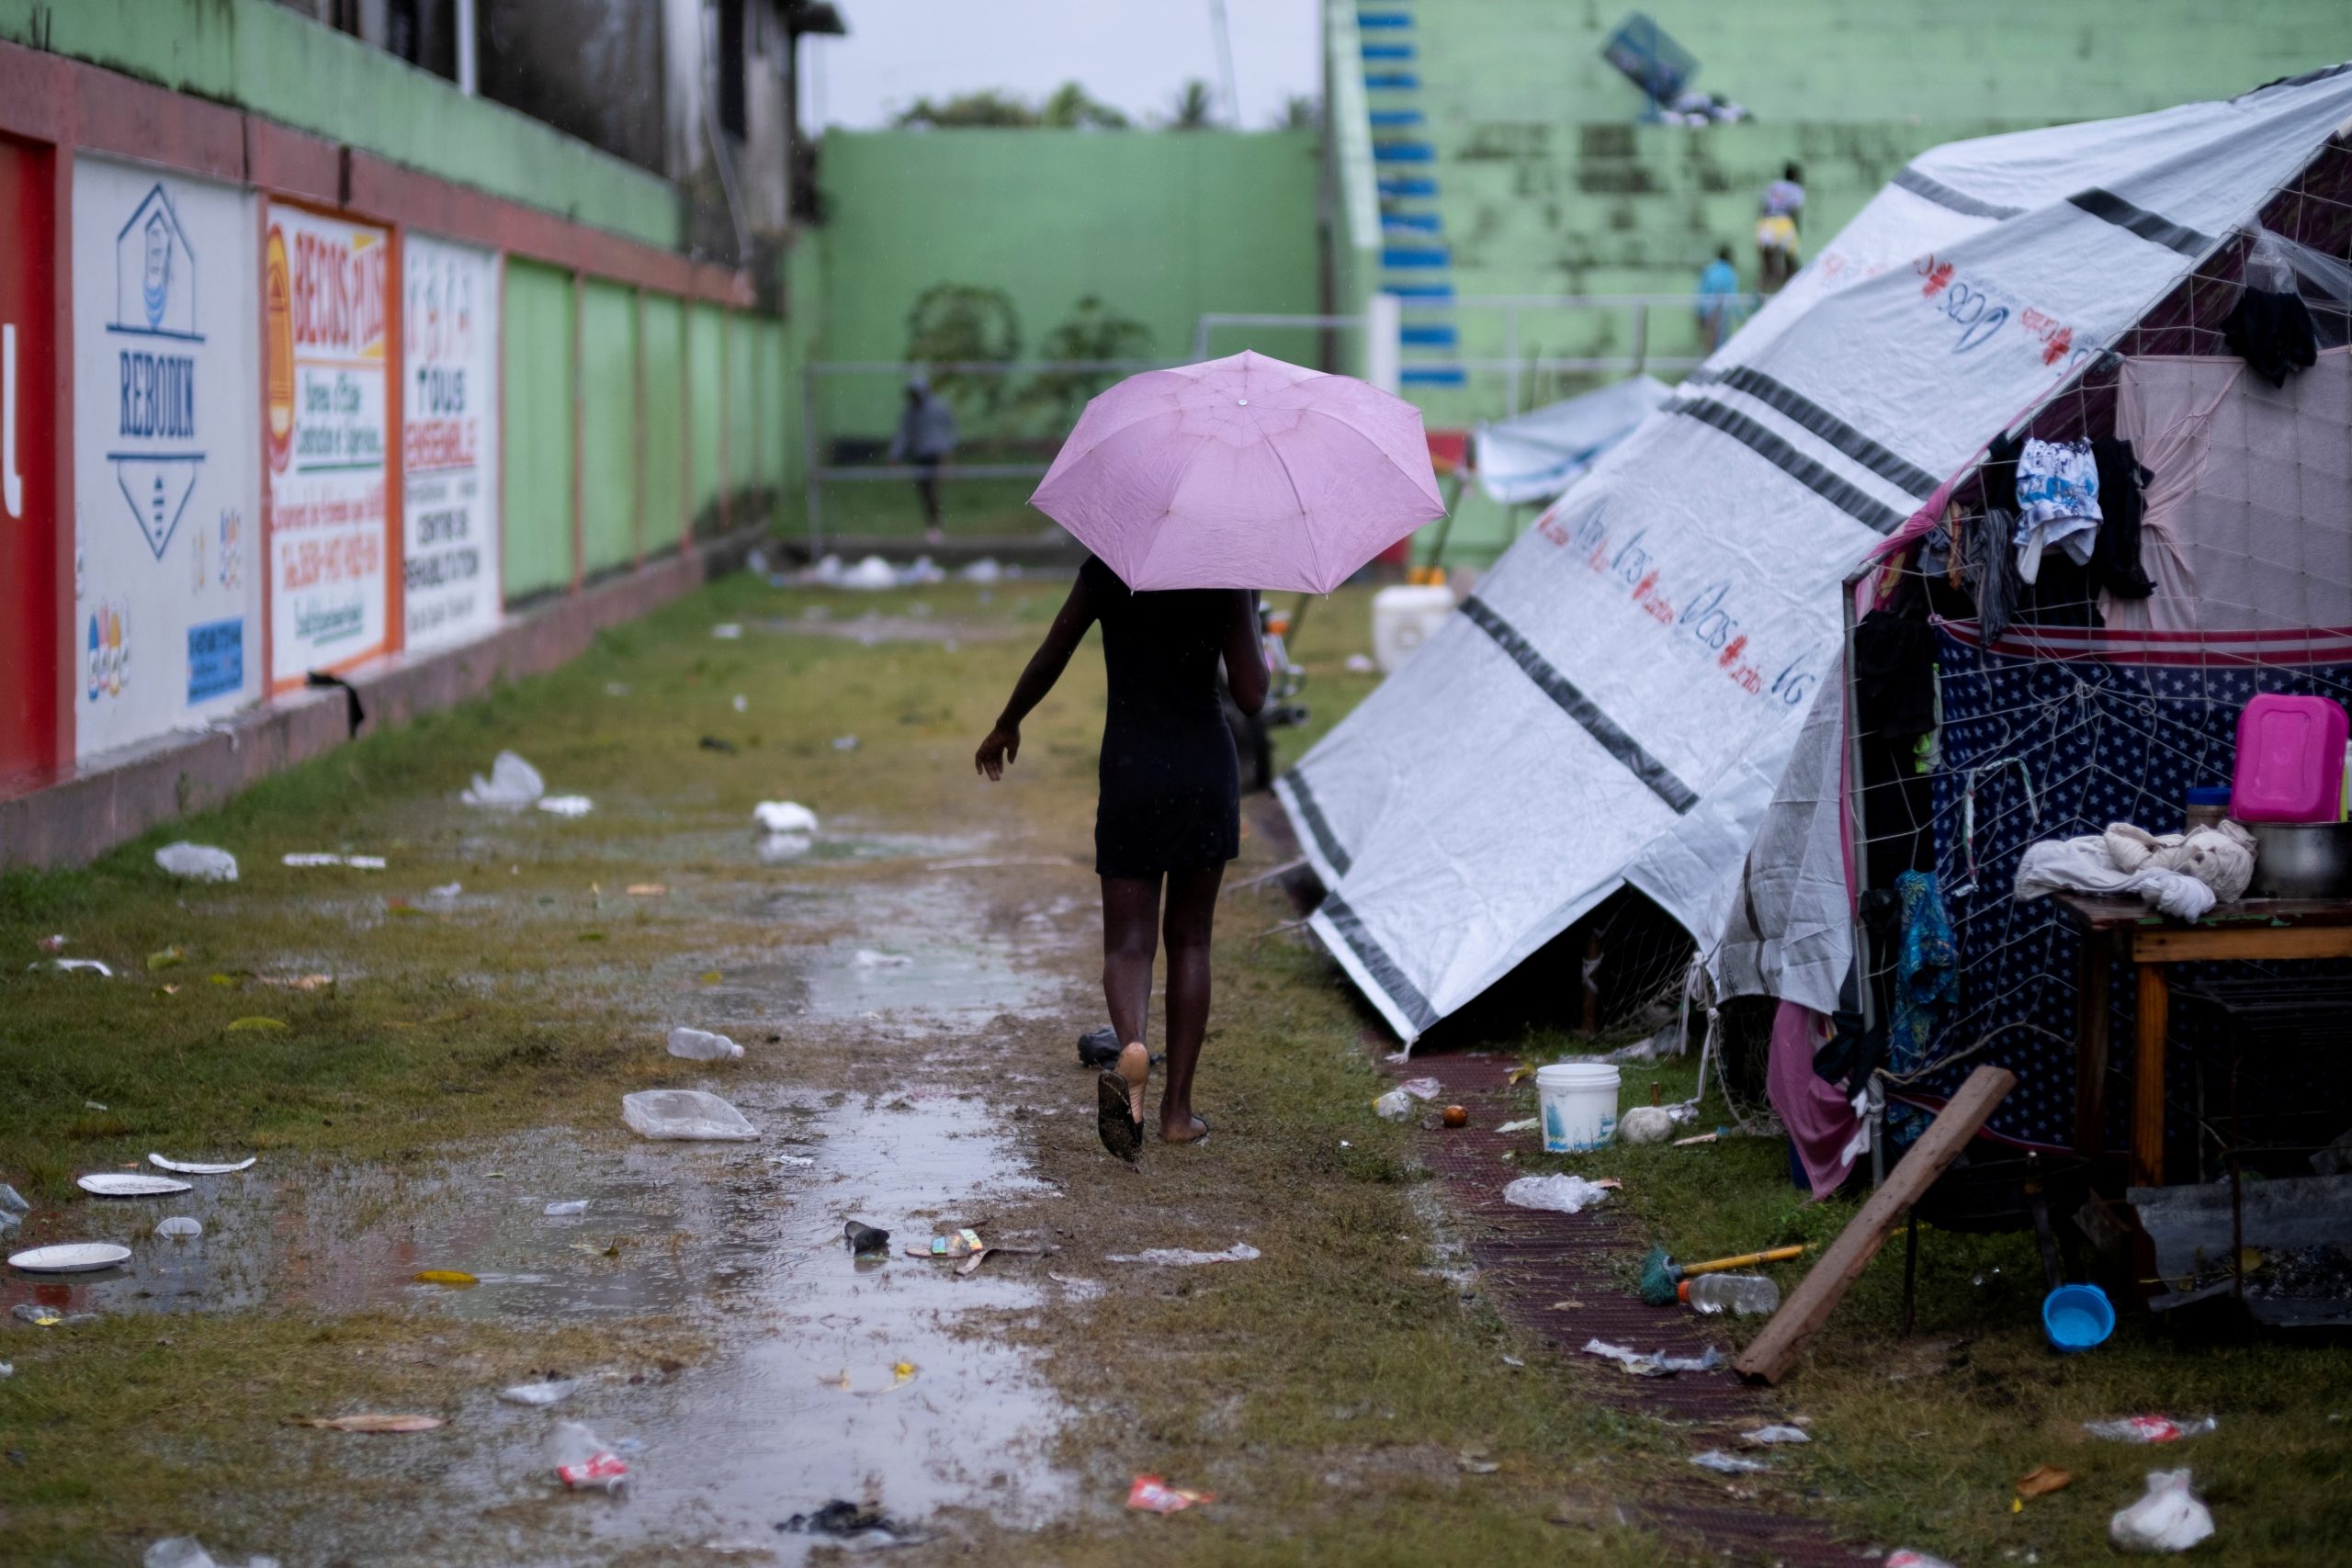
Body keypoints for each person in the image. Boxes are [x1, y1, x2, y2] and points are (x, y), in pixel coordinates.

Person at [975, 556, 1267, 1156]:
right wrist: (1248, 603)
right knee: (1190, 940)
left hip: (1133, 769)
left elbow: (1053, 649)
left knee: (1128, 943)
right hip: (1204, 772)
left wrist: (1009, 722)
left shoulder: (1114, 561)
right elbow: (1252, 693)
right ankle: (1177, 1111)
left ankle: (1131, 1045)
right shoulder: (1229, 566)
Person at [888, 372, 958, 543]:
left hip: (935, 454)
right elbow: (904, 435)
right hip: (920, 455)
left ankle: (937, 525)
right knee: (924, 491)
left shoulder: (938, 408)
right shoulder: (910, 413)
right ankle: (932, 524)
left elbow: (951, 428)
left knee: (932, 489)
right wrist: (894, 455)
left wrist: (948, 449)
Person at [1756, 161, 1805, 294]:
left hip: (1767, 222)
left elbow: (1763, 207)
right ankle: (1789, 288)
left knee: (1767, 261)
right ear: (1795, 176)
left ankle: (1764, 289)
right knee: (1790, 259)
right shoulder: (1797, 189)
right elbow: (1795, 213)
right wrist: (1795, 234)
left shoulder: (1774, 186)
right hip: (1784, 222)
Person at [1696, 244, 1740, 353]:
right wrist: (1741, 316)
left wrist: (1699, 311)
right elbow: (1732, 295)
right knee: (1720, 340)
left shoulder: (1710, 269)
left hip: (1708, 308)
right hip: (1721, 310)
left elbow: (1702, 290)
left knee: (1710, 339)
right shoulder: (1730, 272)